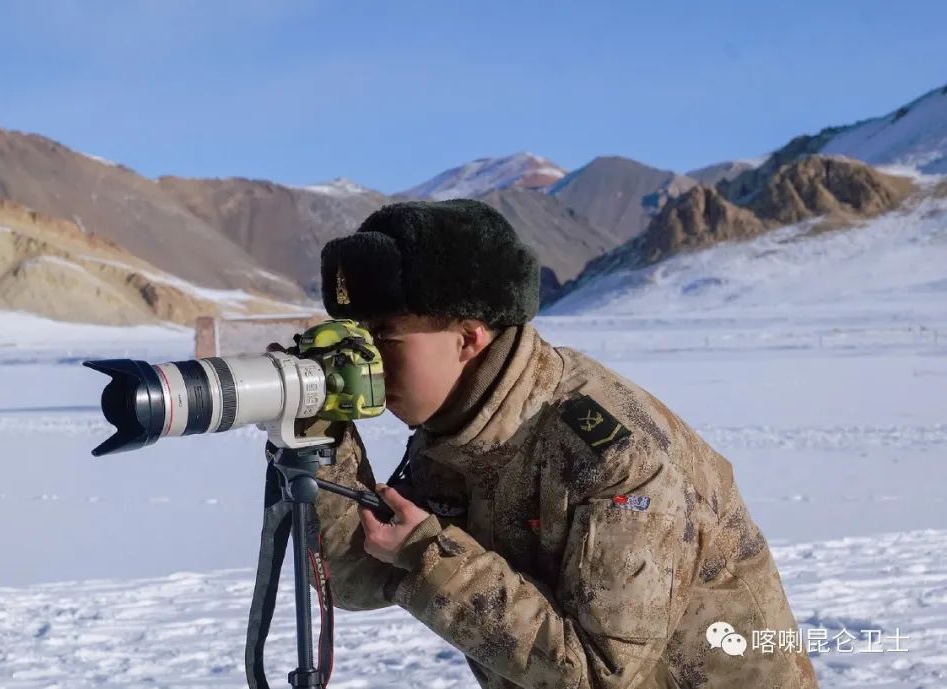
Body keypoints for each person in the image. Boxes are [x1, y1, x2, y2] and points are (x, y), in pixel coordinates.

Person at [309, 199, 818, 689]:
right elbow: (356, 577)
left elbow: (598, 673)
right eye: (354, 340)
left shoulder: (614, 458)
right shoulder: (457, 429)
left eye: (384, 338)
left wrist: (427, 555)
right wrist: (318, 438)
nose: (364, 363)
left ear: (468, 338)